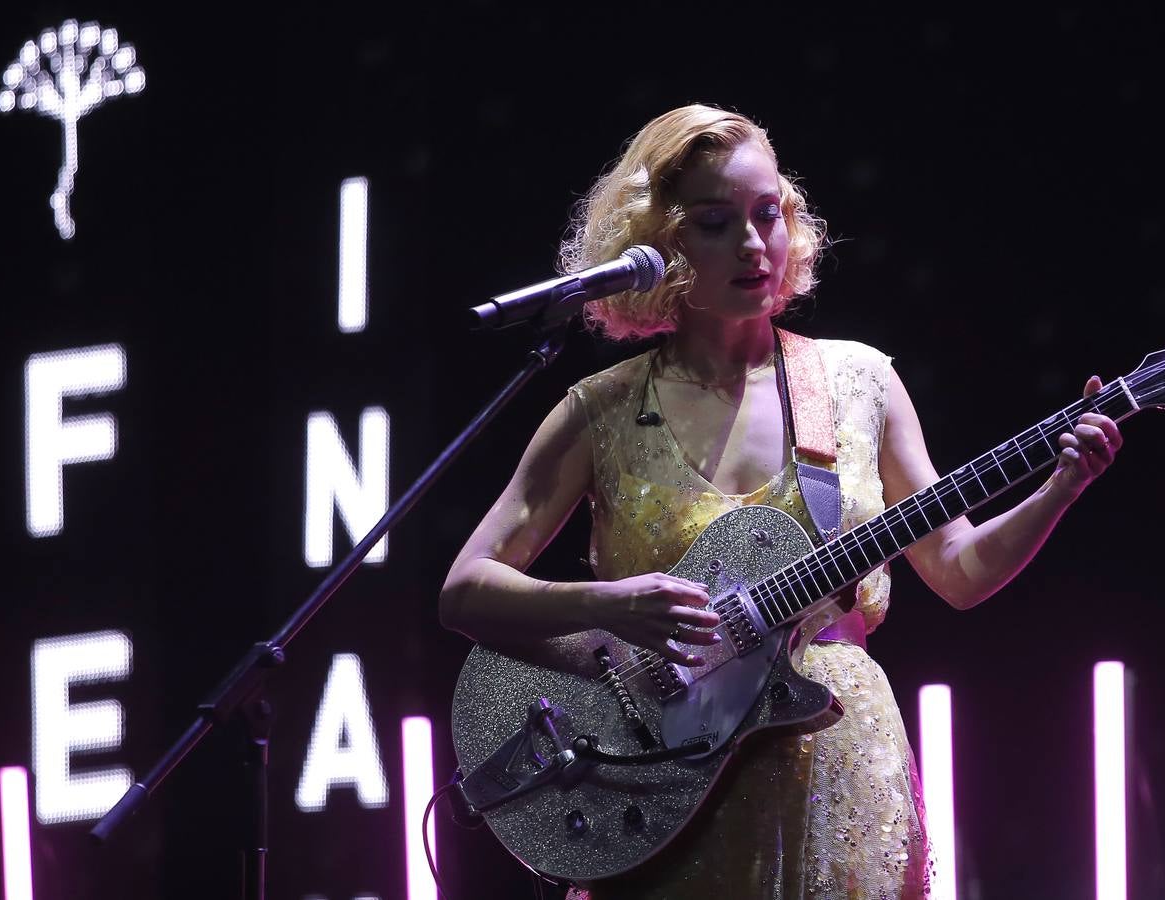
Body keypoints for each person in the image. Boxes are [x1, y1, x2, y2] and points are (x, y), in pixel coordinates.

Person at [439, 104, 1121, 900]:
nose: (754, 243)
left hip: (837, 767)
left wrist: (1059, 489)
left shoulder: (856, 382)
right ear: (660, 244)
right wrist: (613, 605)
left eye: (768, 215)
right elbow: (465, 591)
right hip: (655, 786)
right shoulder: (600, 410)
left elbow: (960, 572)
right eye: (716, 222)